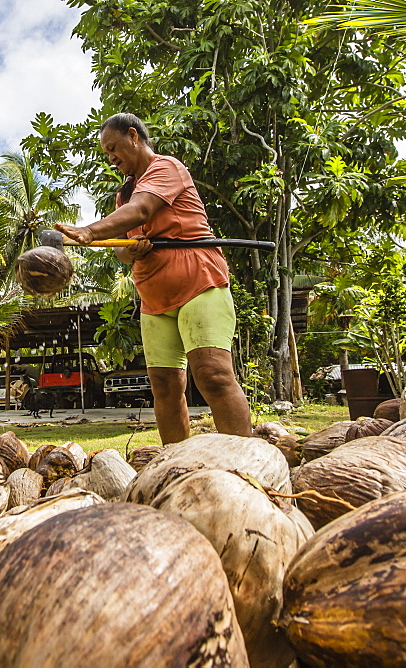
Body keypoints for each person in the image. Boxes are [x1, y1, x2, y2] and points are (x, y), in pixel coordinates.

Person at [55, 112, 253, 443]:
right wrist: (130, 252)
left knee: (213, 375)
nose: (111, 158)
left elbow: (143, 210)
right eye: (106, 153)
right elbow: (123, 246)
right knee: (163, 385)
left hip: (198, 283)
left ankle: (246, 462)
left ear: (134, 136)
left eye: (113, 148)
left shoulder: (166, 168)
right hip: (153, 298)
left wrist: (88, 231)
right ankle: (175, 463)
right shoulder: (124, 195)